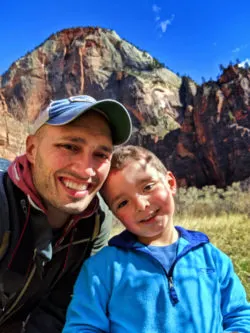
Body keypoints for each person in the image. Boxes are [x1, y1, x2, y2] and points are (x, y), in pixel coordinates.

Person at [63, 145, 250, 333]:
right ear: (115, 214)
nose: (141, 205)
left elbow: (239, 317)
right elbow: (82, 328)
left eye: (147, 187)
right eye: (123, 202)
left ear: (170, 183)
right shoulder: (102, 269)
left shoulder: (213, 258)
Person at [0, 95, 132, 333]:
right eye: (70, 146)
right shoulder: (3, 201)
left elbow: (62, 307)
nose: (86, 170)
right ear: (31, 149)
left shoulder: (96, 220)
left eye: (101, 154)